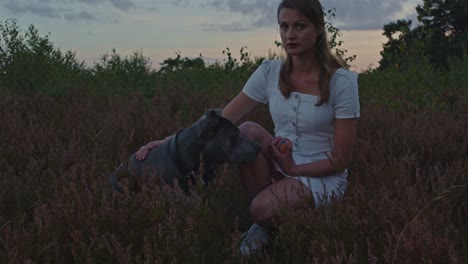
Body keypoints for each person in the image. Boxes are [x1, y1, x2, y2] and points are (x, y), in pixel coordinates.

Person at [136, 0, 359, 257]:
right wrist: (168, 141)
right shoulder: (270, 72)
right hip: (282, 158)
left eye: (300, 26)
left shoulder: (342, 82)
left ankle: (264, 220)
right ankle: (265, 225)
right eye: (284, 27)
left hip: (321, 175)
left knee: (260, 208)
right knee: (246, 131)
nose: (290, 35)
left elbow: (340, 160)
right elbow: (221, 120)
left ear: (318, 29)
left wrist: (293, 169)